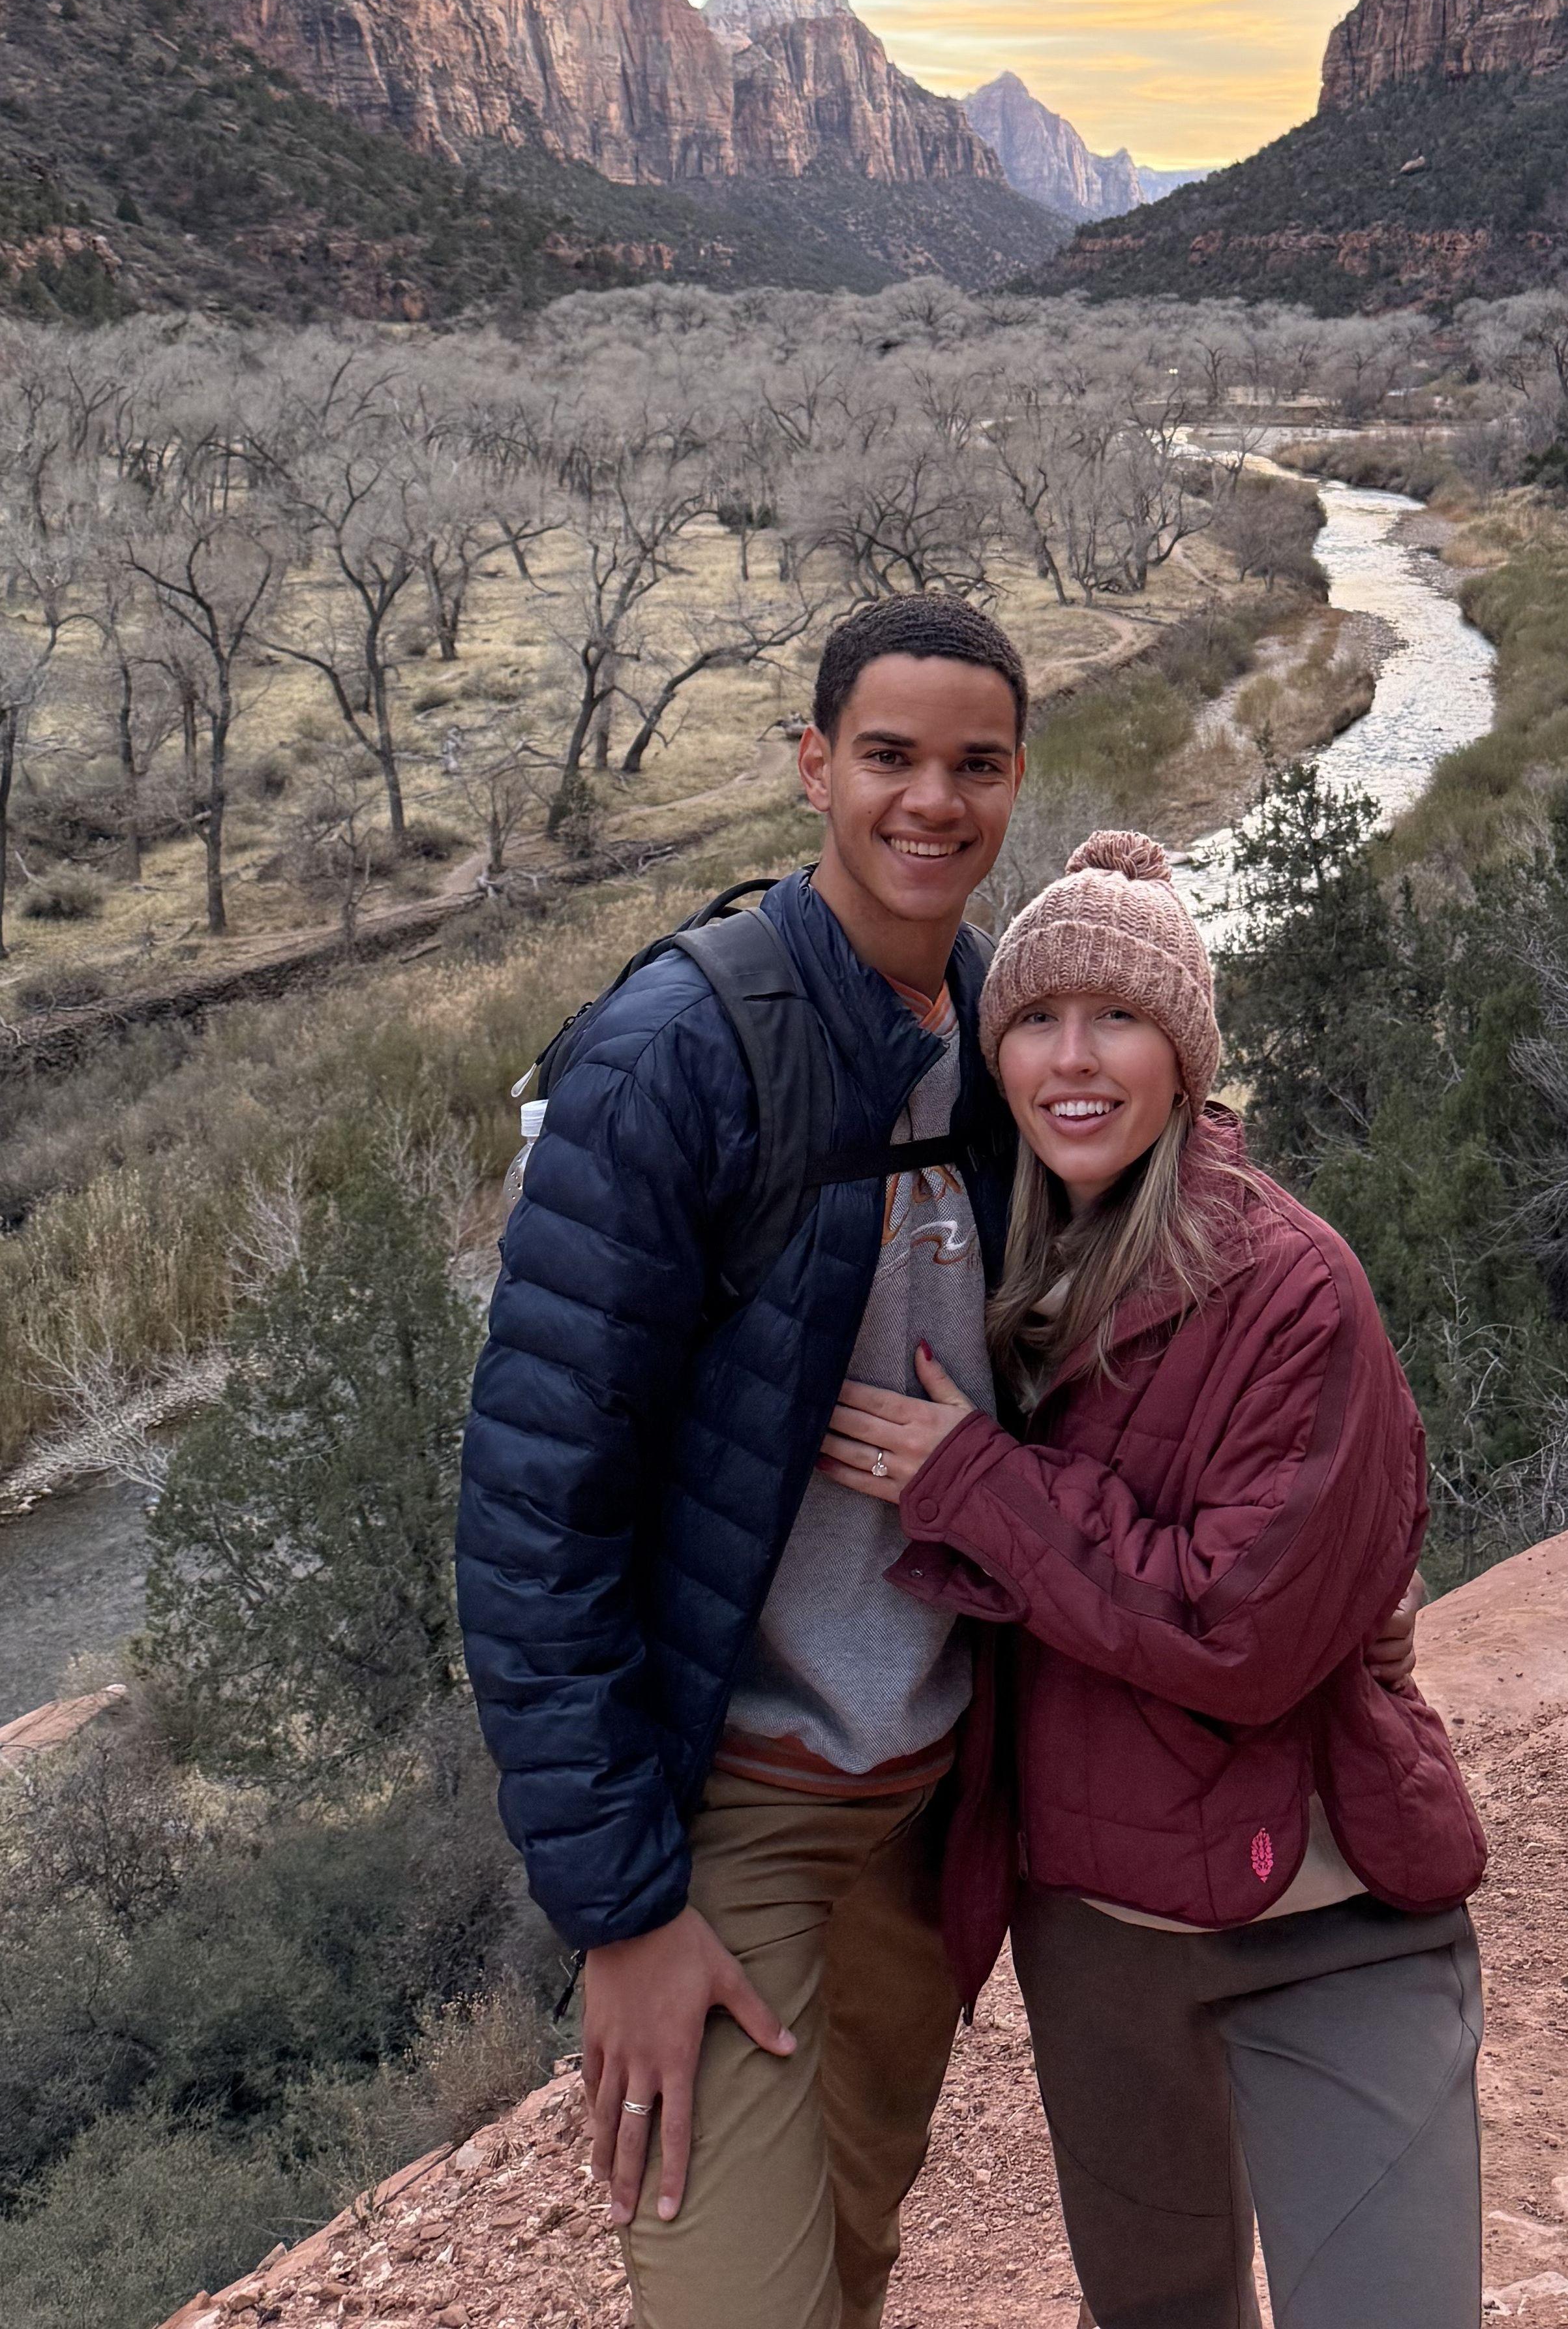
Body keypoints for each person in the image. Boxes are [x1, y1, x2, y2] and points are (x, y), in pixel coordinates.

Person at [823, 827, 1492, 2329]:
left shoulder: (1291, 1284)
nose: (1074, 1059)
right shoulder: (987, 1262)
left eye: (1121, 1020)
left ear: (1187, 1062)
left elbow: (1234, 1626)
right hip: (1099, 1934)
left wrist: (973, 1485)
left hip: (1335, 1918)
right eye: (1040, 1022)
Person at [454, 594, 1032, 2329]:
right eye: (889, 758)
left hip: (934, 1790)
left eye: (975, 765)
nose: (931, 802)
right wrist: (623, 1911)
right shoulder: (678, 1054)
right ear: (812, 768)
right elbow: (531, 1518)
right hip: (744, 1816)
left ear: (1014, 784)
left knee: (855, 2249)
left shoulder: (1006, 1036)